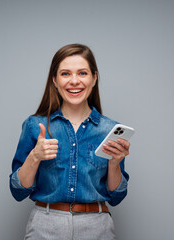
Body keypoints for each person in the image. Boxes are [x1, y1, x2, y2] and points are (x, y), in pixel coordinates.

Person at [9, 43, 131, 240]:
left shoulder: (110, 130)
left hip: (97, 226)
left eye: (82, 73)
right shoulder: (34, 126)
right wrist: (35, 156)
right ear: (55, 81)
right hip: (45, 226)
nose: (74, 81)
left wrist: (114, 164)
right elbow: (17, 191)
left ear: (94, 78)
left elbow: (117, 196)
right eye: (65, 74)